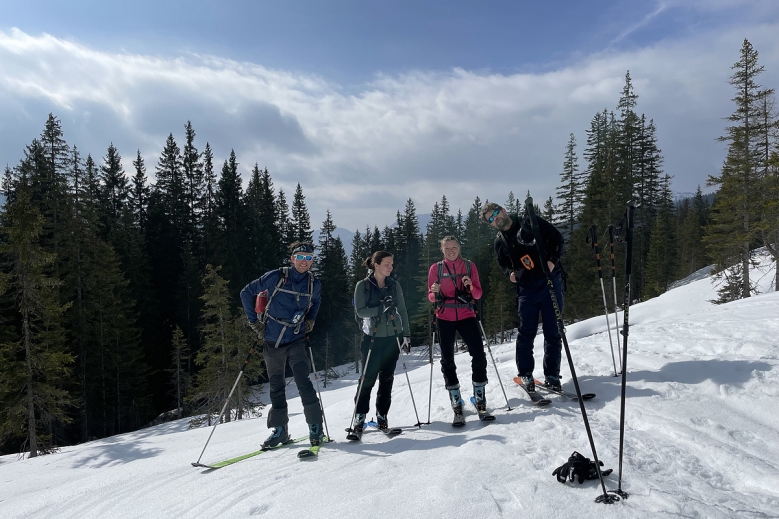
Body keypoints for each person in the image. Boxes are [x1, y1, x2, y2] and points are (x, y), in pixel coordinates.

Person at [240, 241, 324, 448]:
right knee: (276, 386)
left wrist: (310, 321)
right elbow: (245, 293)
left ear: (312, 260)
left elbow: (316, 303)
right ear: (292, 258)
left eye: (308, 258)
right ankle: (279, 431)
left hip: (296, 338)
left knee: (303, 381)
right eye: (300, 257)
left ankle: (315, 427)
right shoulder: (276, 277)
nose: (304, 262)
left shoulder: (314, 284)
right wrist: (254, 323)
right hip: (273, 339)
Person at [481, 201, 565, 393]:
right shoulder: (500, 241)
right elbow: (502, 263)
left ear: (503, 209)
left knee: (553, 330)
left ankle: (552, 376)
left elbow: (557, 239)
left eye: (496, 214)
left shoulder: (530, 222)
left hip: (550, 281)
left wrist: (553, 261)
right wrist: (509, 273)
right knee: (526, 332)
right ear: (491, 224)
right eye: (491, 220)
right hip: (526, 289)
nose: (496, 219)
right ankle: (526, 374)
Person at [427, 236, 489, 425]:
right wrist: (434, 291)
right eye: (447, 249)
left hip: (466, 315)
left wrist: (470, 286)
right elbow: (431, 297)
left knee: (478, 355)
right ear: (442, 250)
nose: (451, 251)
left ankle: (480, 396)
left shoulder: (469, 266)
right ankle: (456, 400)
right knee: (447, 360)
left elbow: (478, 294)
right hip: (444, 317)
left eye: (454, 247)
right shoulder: (435, 269)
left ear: (459, 248)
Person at [351, 251, 411, 439]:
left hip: (393, 337)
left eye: (392, 264)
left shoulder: (394, 285)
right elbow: (360, 312)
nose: (390, 267)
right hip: (372, 338)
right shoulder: (363, 286)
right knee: (367, 379)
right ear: (376, 265)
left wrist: (406, 334)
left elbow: (402, 309)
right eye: (386, 263)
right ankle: (359, 419)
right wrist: (380, 309)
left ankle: (382, 416)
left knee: (387, 379)